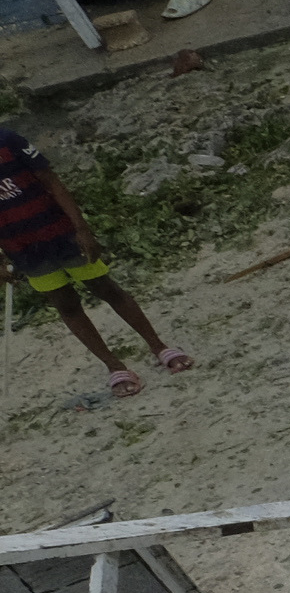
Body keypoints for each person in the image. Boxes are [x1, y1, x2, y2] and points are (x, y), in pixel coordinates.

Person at [0, 126, 187, 398]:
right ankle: (113, 365)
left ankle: (159, 346)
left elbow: (50, 180)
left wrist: (82, 229)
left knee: (105, 288)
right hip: (22, 248)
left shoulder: (7, 140)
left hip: (59, 232)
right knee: (65, 304)